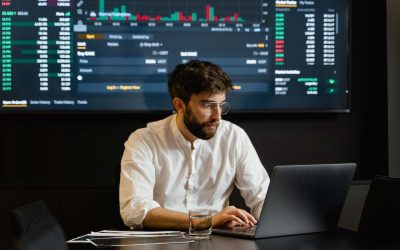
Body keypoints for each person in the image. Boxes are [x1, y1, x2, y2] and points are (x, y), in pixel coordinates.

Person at [119, 60, 270, 230]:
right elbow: (135, 210)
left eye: (221, 105)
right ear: (179, 105)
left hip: (219, 242)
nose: (217, 116)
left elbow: (263, 198)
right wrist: (205, 221)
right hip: (161, 242)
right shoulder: (143, 140)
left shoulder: (234, 136)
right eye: (207, 105)